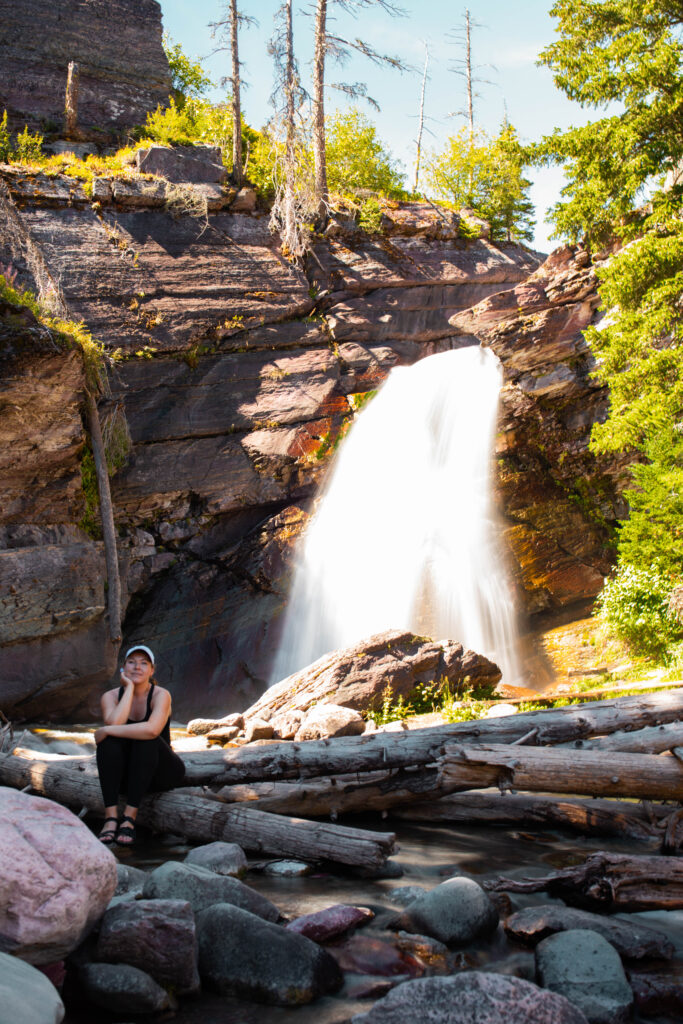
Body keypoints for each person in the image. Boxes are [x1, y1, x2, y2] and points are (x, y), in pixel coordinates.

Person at [95, 644, 185, 846]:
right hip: (126, 778)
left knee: (146, 739)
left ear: (152, 671)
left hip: (160, 773)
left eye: (144, 663)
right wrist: (128, 690)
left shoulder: (161, 695)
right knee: (108, 744)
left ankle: (129, 817)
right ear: (123, 668)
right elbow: (116, 722)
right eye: (132, 662)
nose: (137, 667)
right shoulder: (109, 697)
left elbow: (152, 730)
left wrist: (107, 730)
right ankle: (110, 818)